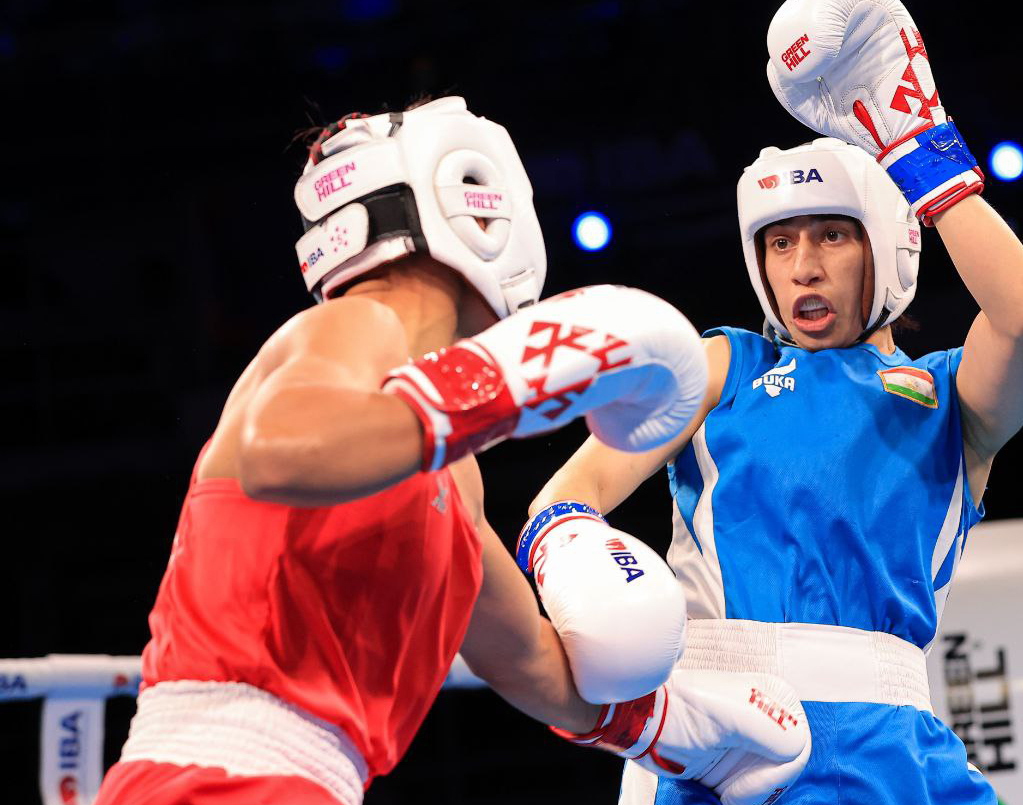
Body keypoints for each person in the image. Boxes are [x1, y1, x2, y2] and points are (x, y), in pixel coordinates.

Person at [95, 96, 810, 805]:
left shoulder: (448, 469)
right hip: (212, 774)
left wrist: (682, 728)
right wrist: (495, 384)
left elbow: (528, 660)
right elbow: (278, 451)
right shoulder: (354, 328)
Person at [529, 0, 1023, 803]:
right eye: (780, 243)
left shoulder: (949, 396)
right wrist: (586, 574)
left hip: (894, 751)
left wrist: (919, 146)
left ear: (887, 245)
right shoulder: (721, 367)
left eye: (832, 236)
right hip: (728, 745)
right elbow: (568, 498)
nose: (803, 266)